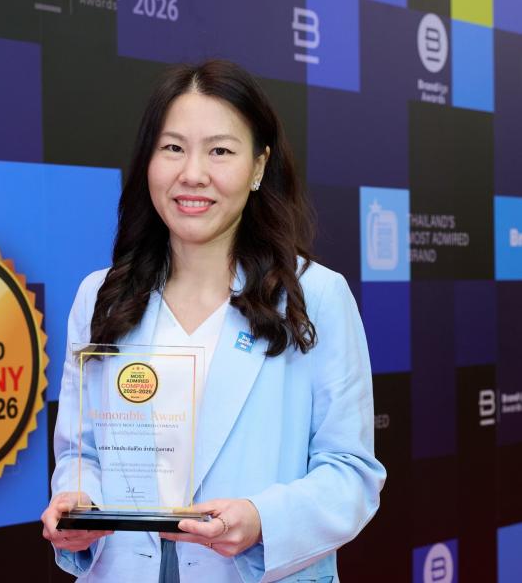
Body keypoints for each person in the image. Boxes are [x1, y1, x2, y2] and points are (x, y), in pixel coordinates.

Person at [40, 60, 386, 582]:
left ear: (258, 166)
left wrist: (262, 520)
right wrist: (76, 506)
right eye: (172, 148)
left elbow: (351, 474)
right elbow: (81, 452)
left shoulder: (314, 296)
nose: (192, 173)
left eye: (220, 151)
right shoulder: (100, 297)